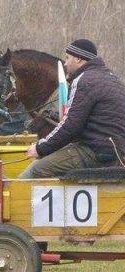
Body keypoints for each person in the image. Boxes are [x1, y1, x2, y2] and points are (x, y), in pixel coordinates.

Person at [20, 39, 125, 178]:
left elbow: (70, 125)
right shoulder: (113, 80)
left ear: (78, 59)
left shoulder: (84, 80)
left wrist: (40, 148)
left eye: (68, 58)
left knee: (35, 170)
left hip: (94, 151)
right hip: (116, 152)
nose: (65, 63)